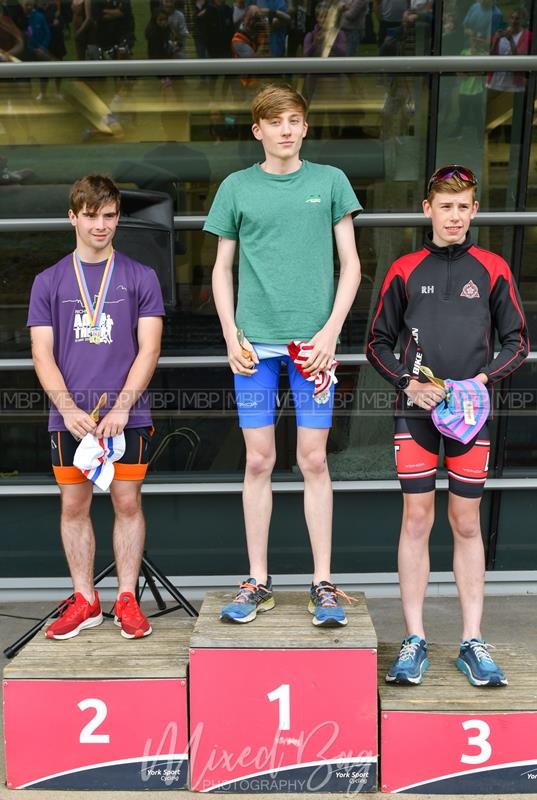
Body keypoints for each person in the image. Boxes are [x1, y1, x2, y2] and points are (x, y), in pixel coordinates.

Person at [204, 83, 362, 627]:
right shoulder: (235, 188)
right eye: (276, 122)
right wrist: (230, 333)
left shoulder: (331, 182)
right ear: (258, 130)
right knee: (258, 460)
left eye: (295, 120)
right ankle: (258, 581)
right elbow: (222, 268)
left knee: (314, 460)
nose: (287, 130)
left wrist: (330, 334)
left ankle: (323, 582)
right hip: (255, 347)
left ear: (305, 127)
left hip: (312, 349)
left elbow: (352, 266)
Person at [366, 165, 529, 686]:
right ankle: (414, 638)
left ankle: (472, 640)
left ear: (474, 211)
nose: (454, 216)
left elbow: (518, 342)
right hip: (416, 410)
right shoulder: (404, 268)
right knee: (416, 518)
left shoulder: (493, 268)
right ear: (427, 210)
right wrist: (407, 384)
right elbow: (377, 343)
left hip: (469, 413)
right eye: (445, 206)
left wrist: (481, 380)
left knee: (464, 522)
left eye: (463, 207)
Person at [27, 175, 165, 640]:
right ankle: (85, 599)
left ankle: (127, 598)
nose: (100, 225)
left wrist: (124, 407)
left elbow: (149, 349)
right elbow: (42, 353)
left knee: (127, 502)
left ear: (118, 217)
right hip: (71, 417)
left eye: (108, 216)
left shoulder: (140, 276)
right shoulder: (48, 281)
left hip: (128, 415)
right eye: (90, 216)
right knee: (73, 505)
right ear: (73, 217)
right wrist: (66, 410)